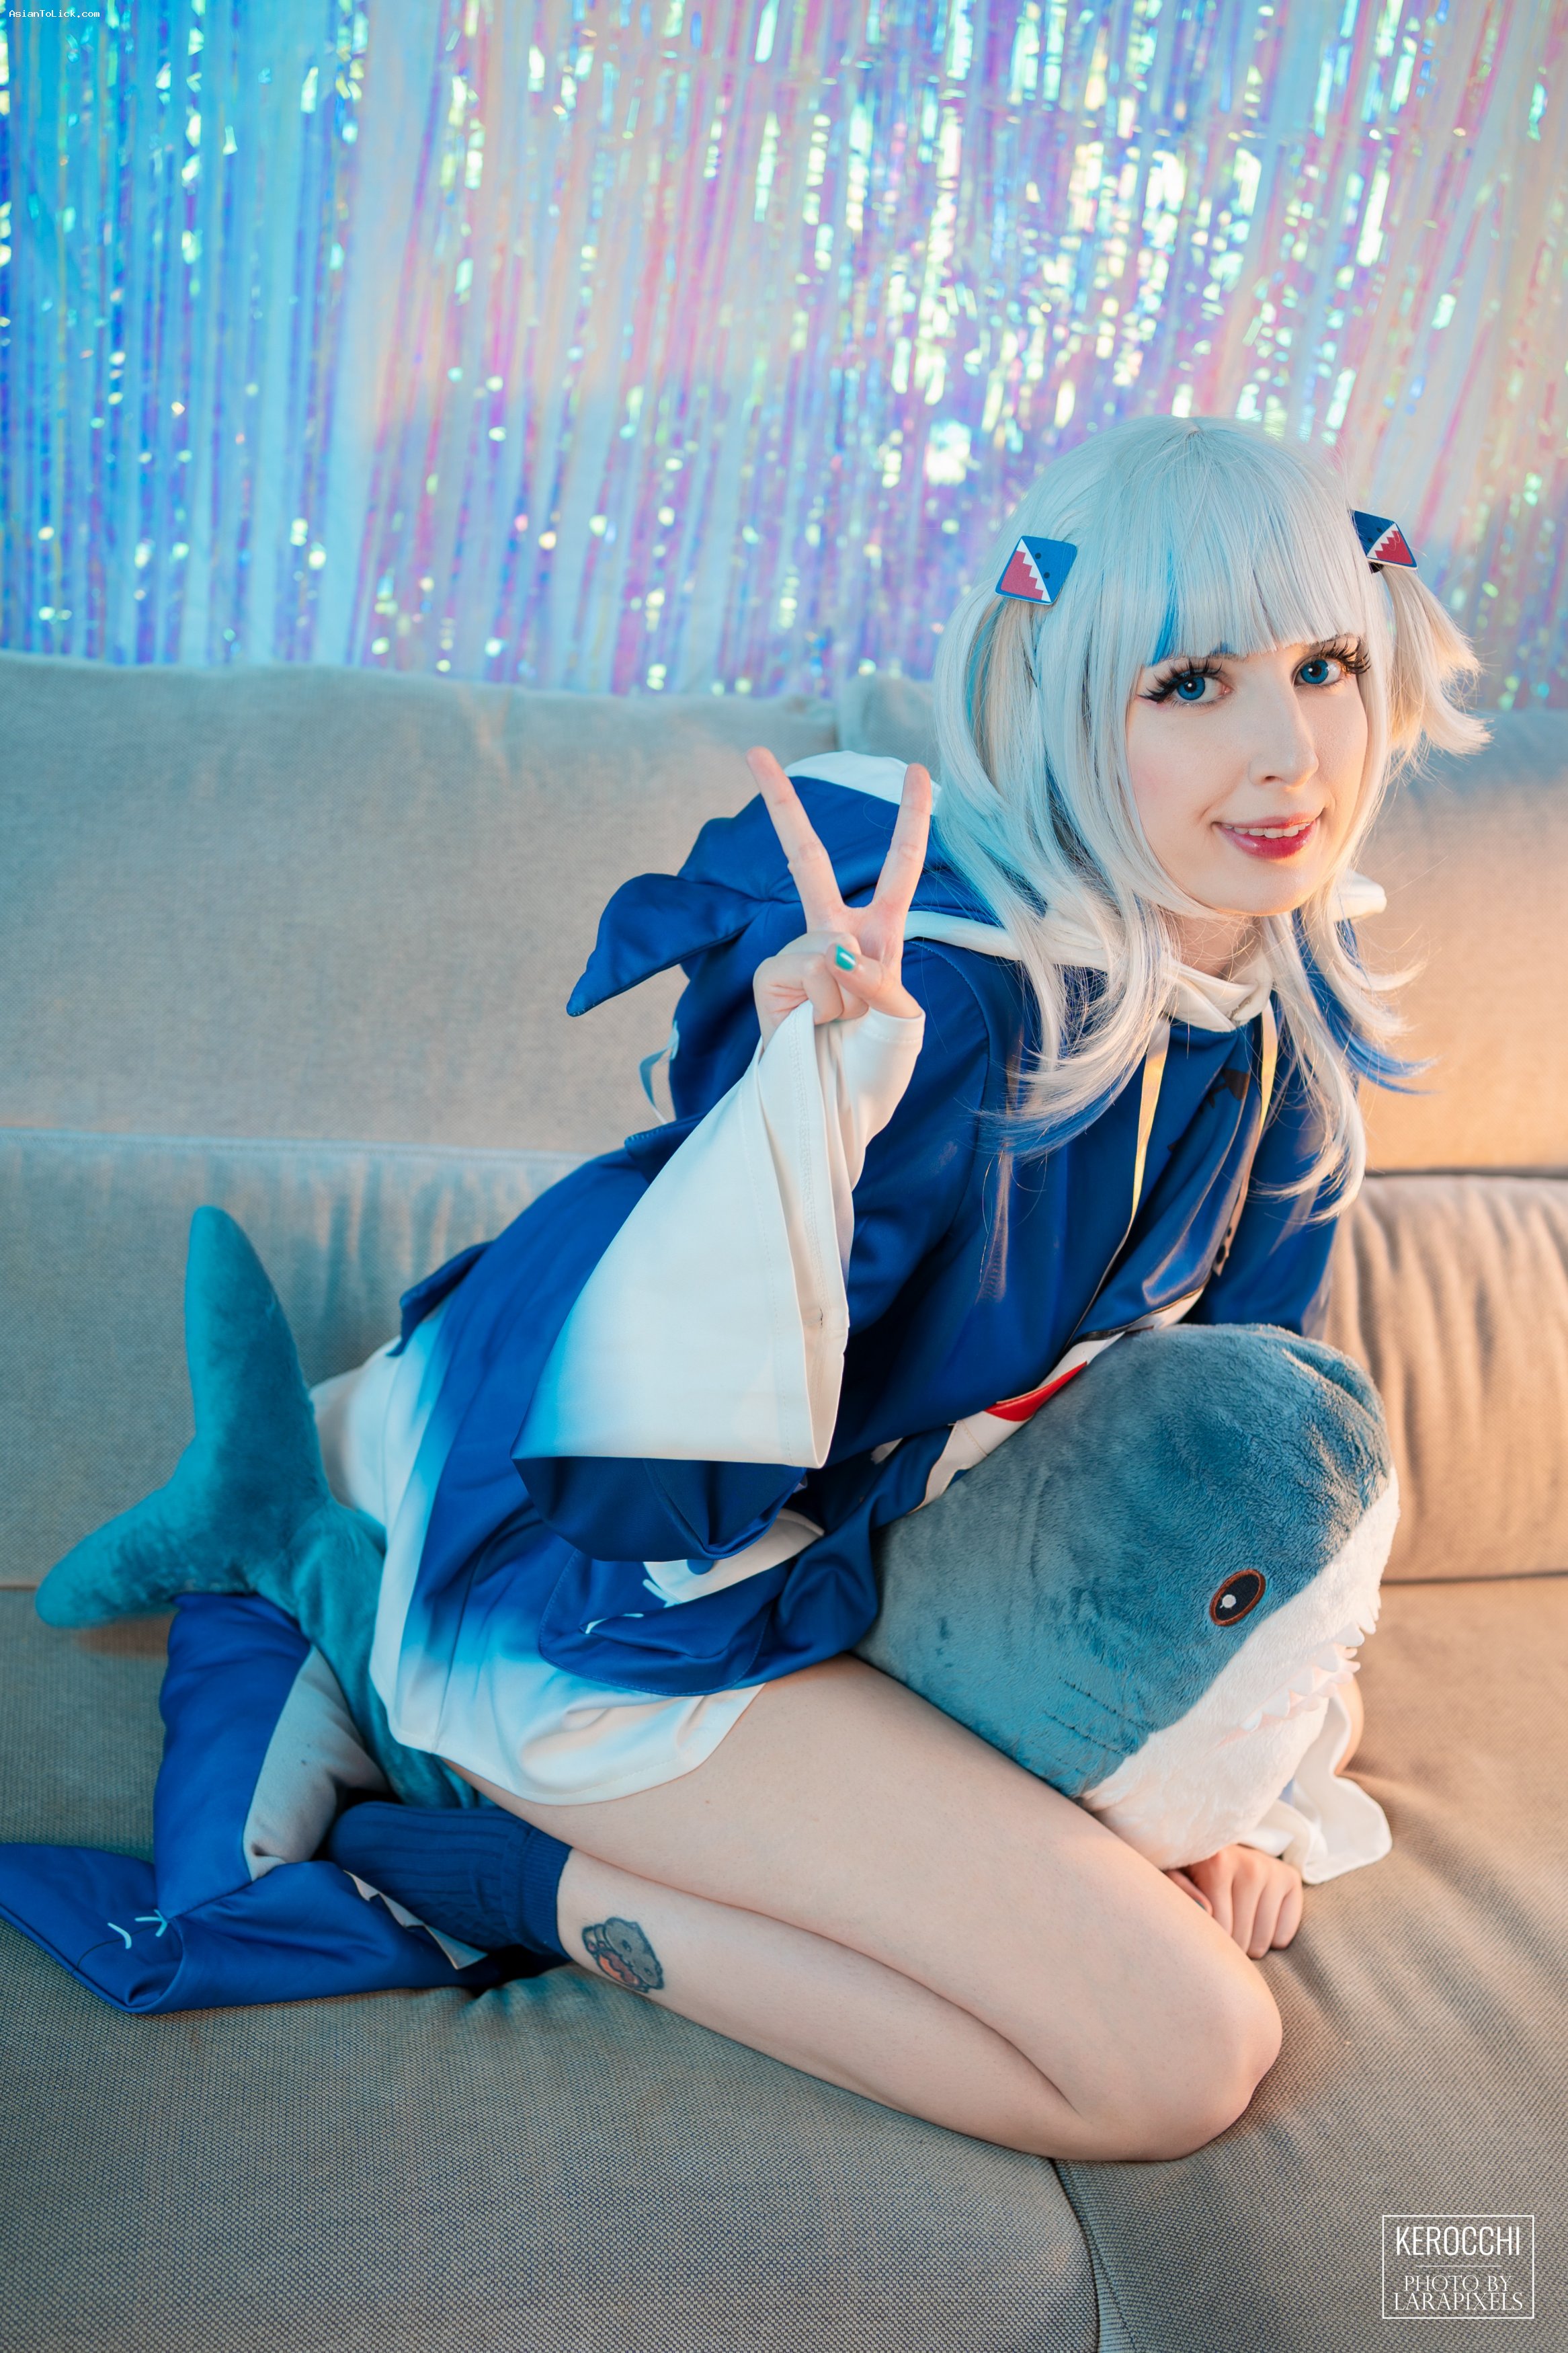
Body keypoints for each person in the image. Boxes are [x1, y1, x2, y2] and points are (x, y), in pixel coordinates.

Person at [76, 415, 1486, 2153]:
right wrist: (812, 1112)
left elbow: (1252, 1452)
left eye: (1324, 664)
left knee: (1179, 2039)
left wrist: (1228, 1789)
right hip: (625, 1577)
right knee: (1179, 2055)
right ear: (1059, 693)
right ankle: (507, 1870)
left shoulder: (1282, 1046)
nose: (1287, 752)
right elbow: (658, 1481)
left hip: (886, 1582)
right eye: (1190, 681)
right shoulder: (945, 997)